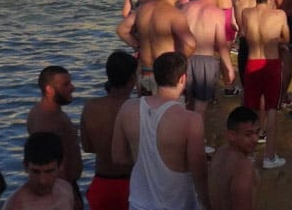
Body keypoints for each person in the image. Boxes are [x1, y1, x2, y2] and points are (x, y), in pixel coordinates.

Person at [112, 52, 209, 210]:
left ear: (155, 77)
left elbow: (118, 157)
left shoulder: (128, 108)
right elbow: (200, 173)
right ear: (183, 78)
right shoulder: (191, 120)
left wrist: (146, 162)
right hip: (177, 204)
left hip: (138, 203)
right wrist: (208, 204)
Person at [240, 0, 290, 169]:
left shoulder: (246, 13)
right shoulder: (279, 15)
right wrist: (278, 41)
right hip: (271, 63)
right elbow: (287, 36)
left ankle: (249, 154)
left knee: (251, 109)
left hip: (252, 63)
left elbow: (244, 33)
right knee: (271, 109)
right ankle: (269, 156)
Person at [81, 51, 138, 210]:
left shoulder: (90, 107)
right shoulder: (138, 108)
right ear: (133, 78)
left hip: (102, 181)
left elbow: (87, 147)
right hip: (133, 182)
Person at [26, 66, 82, 210]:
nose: (72, 87)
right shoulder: (48, 119)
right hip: (61, 189)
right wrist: (69, 197)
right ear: (49, 89)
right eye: (66, 84)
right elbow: (48, 163)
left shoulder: (41, 110)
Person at [183, 0, 236, 116]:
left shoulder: (185, 8)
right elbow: (222, 44)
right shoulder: (217, 13)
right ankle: (195, 135)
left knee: (186, 103)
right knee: (200, 107)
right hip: (205, 61)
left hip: (184, 58)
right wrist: (229, 68)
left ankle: (183, 135)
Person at [134, 0, 197, 94]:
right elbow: (190, 44)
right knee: (169, 110)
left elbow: (123, 30)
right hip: (166, 74)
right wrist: (178, 63)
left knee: (145, 110)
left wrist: (138, 45)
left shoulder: (142, 10)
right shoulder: (175, 14)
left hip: (145, 71)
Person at [3, 132, 75, 210]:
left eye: (49, 171)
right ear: (25, 167)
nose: (42, 180)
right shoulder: (17, 206)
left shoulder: (66, 189)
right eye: (35, 172)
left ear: (60, 166)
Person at [208, 107, 260, 210]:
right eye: (248, 134)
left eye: (257, 132)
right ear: (231, 135)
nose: (255, 139)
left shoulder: (219, 153)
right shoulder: (244, 166)